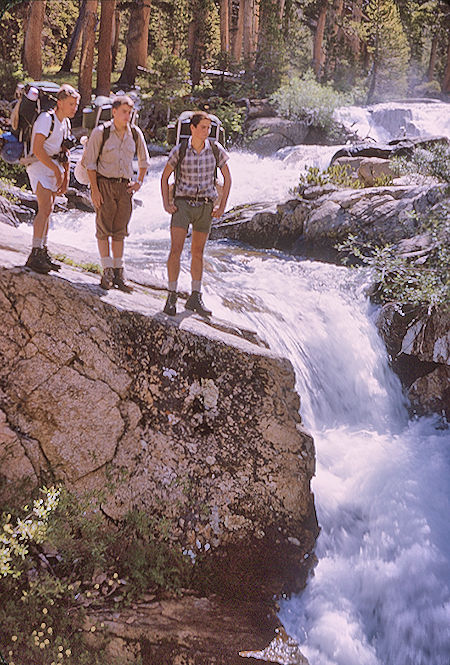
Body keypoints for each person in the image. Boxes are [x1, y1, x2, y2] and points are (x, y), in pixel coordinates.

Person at [160, 111, 232, 317]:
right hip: (182, 204)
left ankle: (195, 296)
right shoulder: (180, 150)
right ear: (192, 128)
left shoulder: (216, 149)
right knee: (176, 250)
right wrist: (167, 203)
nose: (206, 131)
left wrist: (222, 206)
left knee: (198, 253)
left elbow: (228, 178)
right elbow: (164, 177)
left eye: (209, 128)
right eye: (203, 127)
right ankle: (172, 295)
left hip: (205, 206)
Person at [83, 95, 150, 292]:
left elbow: (144, 160)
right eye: (124, 112)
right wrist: (94, 191)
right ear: (114, 112)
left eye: (130, 112)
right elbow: (90, 163)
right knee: (103, 228)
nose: (127, 116)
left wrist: (139, 182)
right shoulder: (101, 132)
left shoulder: (135, 134)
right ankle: (107, 271)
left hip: (125, 187)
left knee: (120, 230)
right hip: (104, 184)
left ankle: (119, 272)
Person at [25, 84, 80, 274]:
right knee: (45, 208)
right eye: (71, 104)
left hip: (54, 166)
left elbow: (65, 152)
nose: (74, 108)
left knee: (49, 211)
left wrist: (64, 176)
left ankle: (43, 250)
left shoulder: (65, 123)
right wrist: (57, 172)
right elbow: (38, 149)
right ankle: (35, 253)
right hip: (39, 166)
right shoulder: (45, 119)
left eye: (76, 104)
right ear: (60, 103)